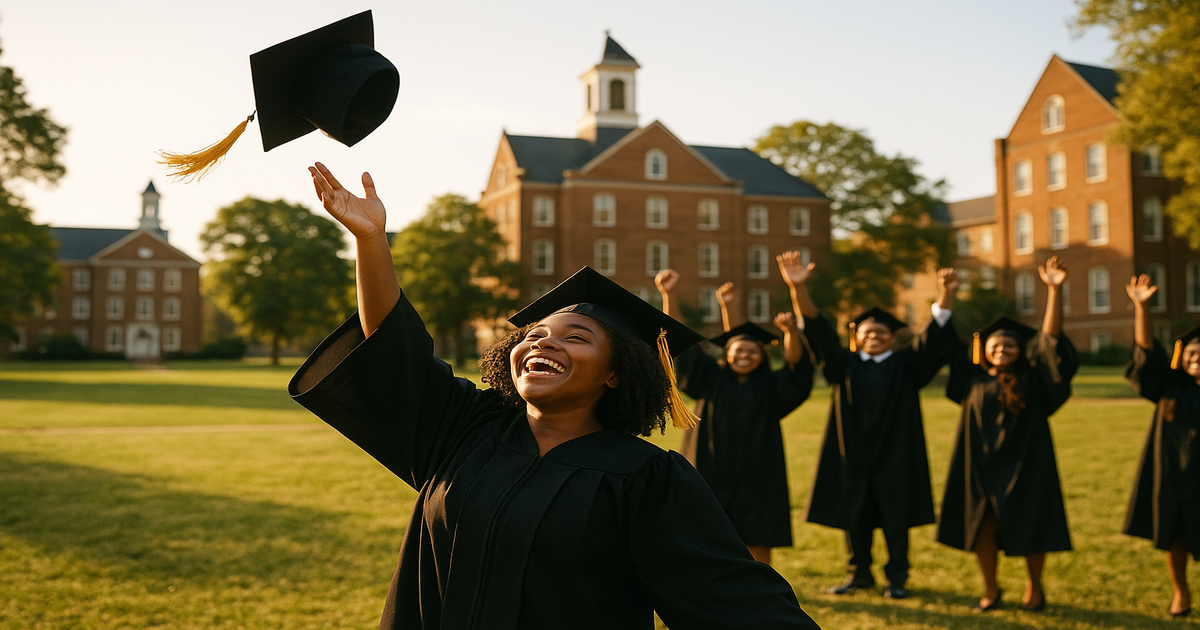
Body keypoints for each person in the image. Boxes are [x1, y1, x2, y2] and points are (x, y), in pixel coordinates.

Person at [288, 163, 822, 630]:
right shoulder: (465, 430)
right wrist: (370, 241)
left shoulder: (645, 479)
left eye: (576, 336)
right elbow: (393, 352)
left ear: (616, 374)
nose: (544, 341)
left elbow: (732, 598)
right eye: (536, 334)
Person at [799, 265, 960, 599]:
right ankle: (858, 575)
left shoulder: (908, 366)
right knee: (854, 516)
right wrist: (797, 288)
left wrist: (946, 294)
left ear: (895, 336)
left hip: (897, 454)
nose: (874, 336)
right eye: (867, 332)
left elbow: (933, 338)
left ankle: (897, 578)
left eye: (881, 332)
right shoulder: (843, 366)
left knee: (895, 519)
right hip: (852, 453)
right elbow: (820, 334)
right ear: (855, 337)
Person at [654, 250, 815, 566]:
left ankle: (759, 585)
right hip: (708, 466)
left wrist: (792, 333)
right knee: (702, 530)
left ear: (763, 357)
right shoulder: (709, 378)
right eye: (737, 350)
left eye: (752, 351)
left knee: (758, 533)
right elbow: (681, 343)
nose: (744, 355)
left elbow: (798, 369)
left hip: (759, 472)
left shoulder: (772, 387)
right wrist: (669, 294)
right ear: (725, 355)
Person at [935, 256, 1076, 612]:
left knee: (1033, 526)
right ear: (983, 350)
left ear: (1020, 350)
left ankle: (1034, 587)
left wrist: (1054, 290)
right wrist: (947, 295)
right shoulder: (970, 380)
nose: (1001, 349)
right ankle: (991, 587)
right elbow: (944, 344)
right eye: (994, 345)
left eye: (1009, 345)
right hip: (980, 465)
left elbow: (1051, 342)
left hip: (1028, 463)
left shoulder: (1036, 380)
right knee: (982, 528)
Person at [1123, 274, 1199, 619]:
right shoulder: (1169, 387)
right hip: (1174, 473)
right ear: (1183, 358)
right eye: (1193, 353)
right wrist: (1142, 308)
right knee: (1175, 534)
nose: (1197, 358)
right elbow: (1147, 354)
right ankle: (1180, 592)